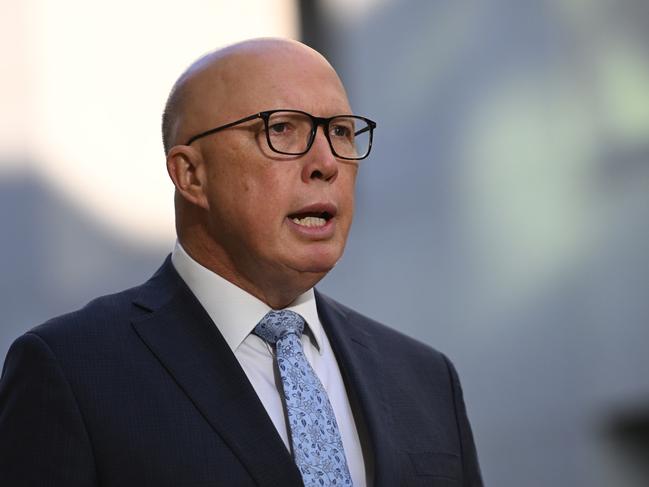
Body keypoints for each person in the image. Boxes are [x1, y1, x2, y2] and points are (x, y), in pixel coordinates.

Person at [0, 38, 483, 486]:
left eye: (339, 131)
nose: (327, 162)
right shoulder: (72, 372)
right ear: (191, 174)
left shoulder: (425, 378)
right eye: (282, 129)